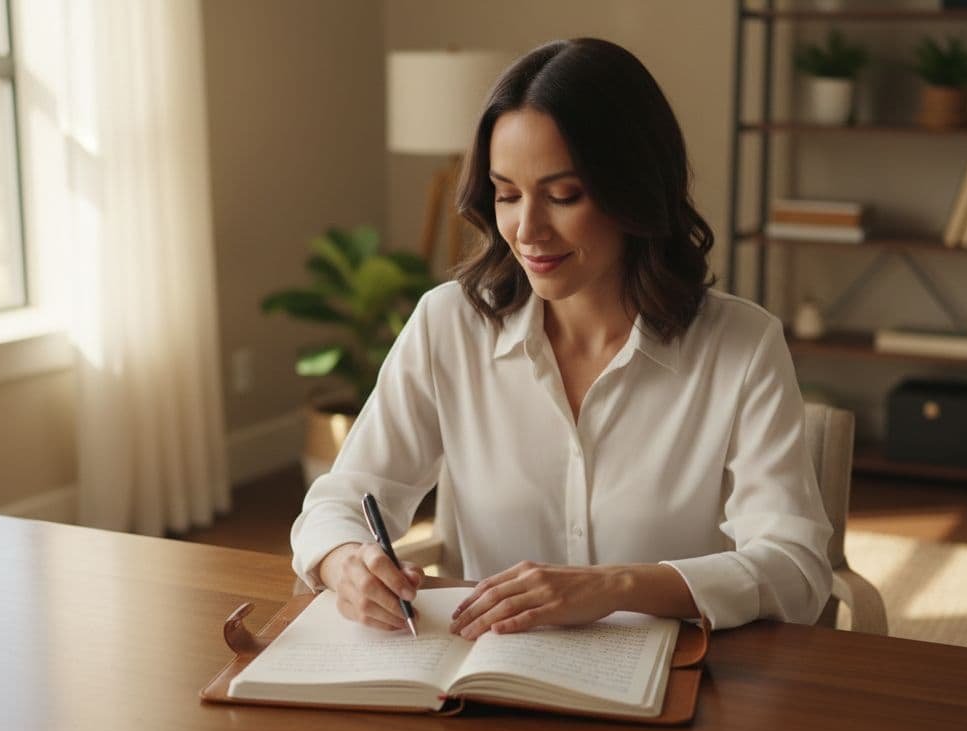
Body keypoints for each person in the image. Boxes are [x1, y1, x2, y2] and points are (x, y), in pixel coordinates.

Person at [291, 37, 831, 637]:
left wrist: (614, 586)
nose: (527, 230)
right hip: (486, 686)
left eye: (563, 196)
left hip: (670, 690)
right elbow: (339, 501)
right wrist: (346, 562)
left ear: (635, 190)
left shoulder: (742, 345)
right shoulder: (448, 325)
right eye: (507, 194)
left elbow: (796, 570)